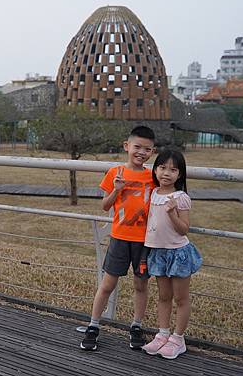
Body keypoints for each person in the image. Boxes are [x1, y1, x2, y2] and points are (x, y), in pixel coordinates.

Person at [80, 126, 156, 351]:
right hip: (120, 237)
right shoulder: (115, 173)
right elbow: (105, 206)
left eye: (147, 149)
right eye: (137, 147)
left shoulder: (153, 176)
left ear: (152, 151)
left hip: (145, 240)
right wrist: (116, 190)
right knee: (107, 284)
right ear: (127, 146)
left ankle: (136, 325)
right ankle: (93, 325)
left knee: (140, 284)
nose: (141, 152)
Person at [141, 149, 202, 360]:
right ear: (155, 170)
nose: (166, 173)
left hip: (177, 253)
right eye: (162, 167)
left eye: (173, 169)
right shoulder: (153, 193)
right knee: (163, 296)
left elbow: (183, 229)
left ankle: (178, 338)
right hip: (158, 253)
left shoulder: (181, 197)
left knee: (181, 298)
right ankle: (162, 333)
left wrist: (172, 213)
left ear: (180, 174)